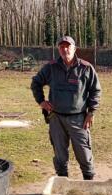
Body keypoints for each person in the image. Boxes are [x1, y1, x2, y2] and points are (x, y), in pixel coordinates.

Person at [31, 36, 102, 180]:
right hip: (56, 118)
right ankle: (62, 183)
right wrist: (41, 101)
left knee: (83, 152)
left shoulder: (86, 68)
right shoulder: (51, 67)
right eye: (61, 47)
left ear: (74, 48)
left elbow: (95, 90)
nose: (65, 49)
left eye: (68, 46)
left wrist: (91, 112)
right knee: (60, 154)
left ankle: (89, 182)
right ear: (58, 49)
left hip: (79, 119)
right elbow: (36, 82)